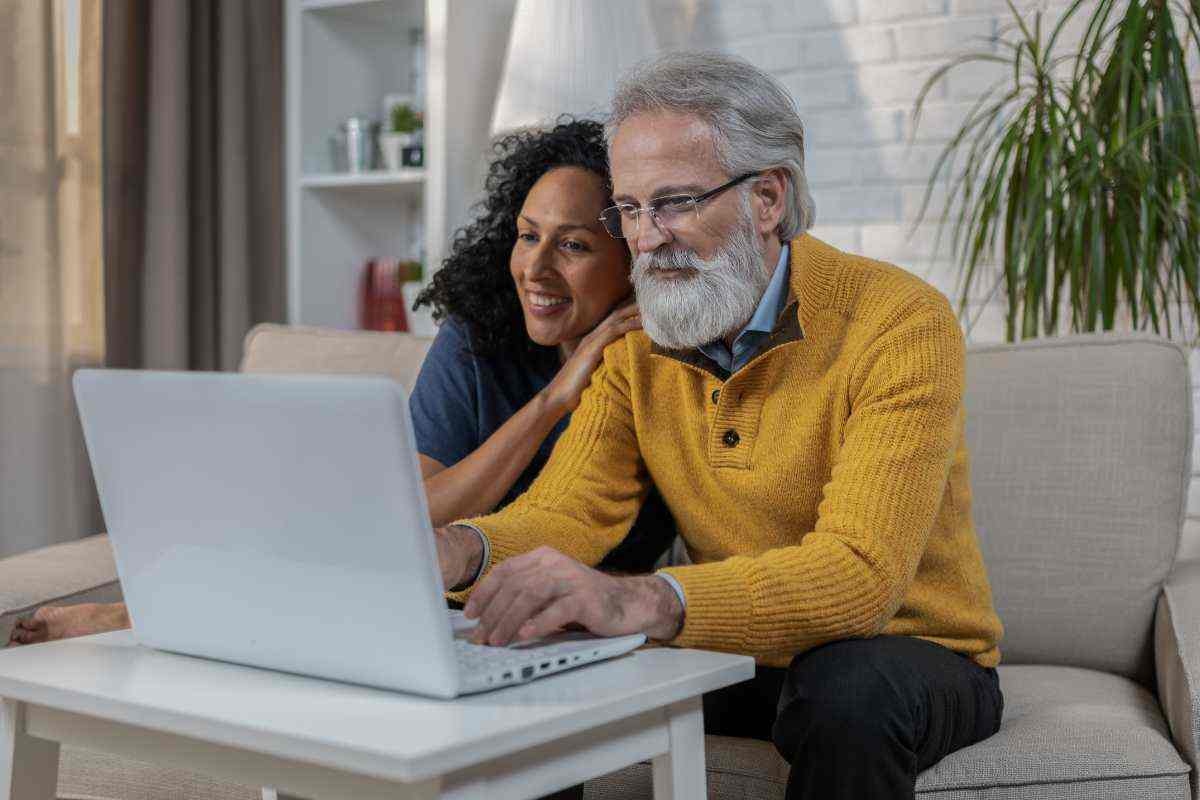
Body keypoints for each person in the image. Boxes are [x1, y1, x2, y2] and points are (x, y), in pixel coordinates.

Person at [430, 52, 1005, 800]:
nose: (645, 238)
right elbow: (569, 511)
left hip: (908, 650)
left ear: (768, 198)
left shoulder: (898, 321)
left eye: (673, 203)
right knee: (534, 654)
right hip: (739, 648)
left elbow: (861, 577)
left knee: (850, 691)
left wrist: (647, 599)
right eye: (629, 210)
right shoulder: (641, 340)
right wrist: (459, 550)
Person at [9, 119, 674, 646]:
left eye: (574, 246)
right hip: (428, 583)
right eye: (528, 237)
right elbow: (416, 510)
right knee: (332, 544)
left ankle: (143, 616)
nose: (536, 268)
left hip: (573, 606)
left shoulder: (655, 362)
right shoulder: (479, 339)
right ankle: (141, 615)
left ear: (633, 257)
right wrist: (554, 398)